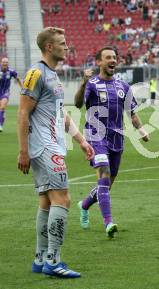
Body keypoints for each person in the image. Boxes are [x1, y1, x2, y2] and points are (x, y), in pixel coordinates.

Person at [18, 27, 94, 278]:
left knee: (47, 202)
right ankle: (54, 260)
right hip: (44, 148)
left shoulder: (53, 75)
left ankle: (40, 259)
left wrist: (81, 141)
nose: (67, 46)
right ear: (49, 47)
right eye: (62, 43)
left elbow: (60, 115)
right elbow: (23, 113)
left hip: (50, 146)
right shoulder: (35, 73)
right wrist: (23, 151)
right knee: (63, 199)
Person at [74, 46, 149, 238]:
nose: (112, 60)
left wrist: (141, 130)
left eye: (114, 57)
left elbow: (132, 113)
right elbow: (77, 104)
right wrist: (83, 83)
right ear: (99, 61)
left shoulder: (123, 87)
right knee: (104, 173)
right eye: (108, 57)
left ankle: (84, 205)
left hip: (117, 138)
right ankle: (109, 223)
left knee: (107, 183)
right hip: (95, 136)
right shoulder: (91, 84)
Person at [0, 57, 22, 131]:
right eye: (3, 62)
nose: (5, 63)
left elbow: (18, 79)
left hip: (5, 92)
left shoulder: (11, 71)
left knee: (2, 107)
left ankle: (0, 125)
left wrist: (22, 88)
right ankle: (2, 116)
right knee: (1, 109)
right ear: (1, 63)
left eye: (6, 62)